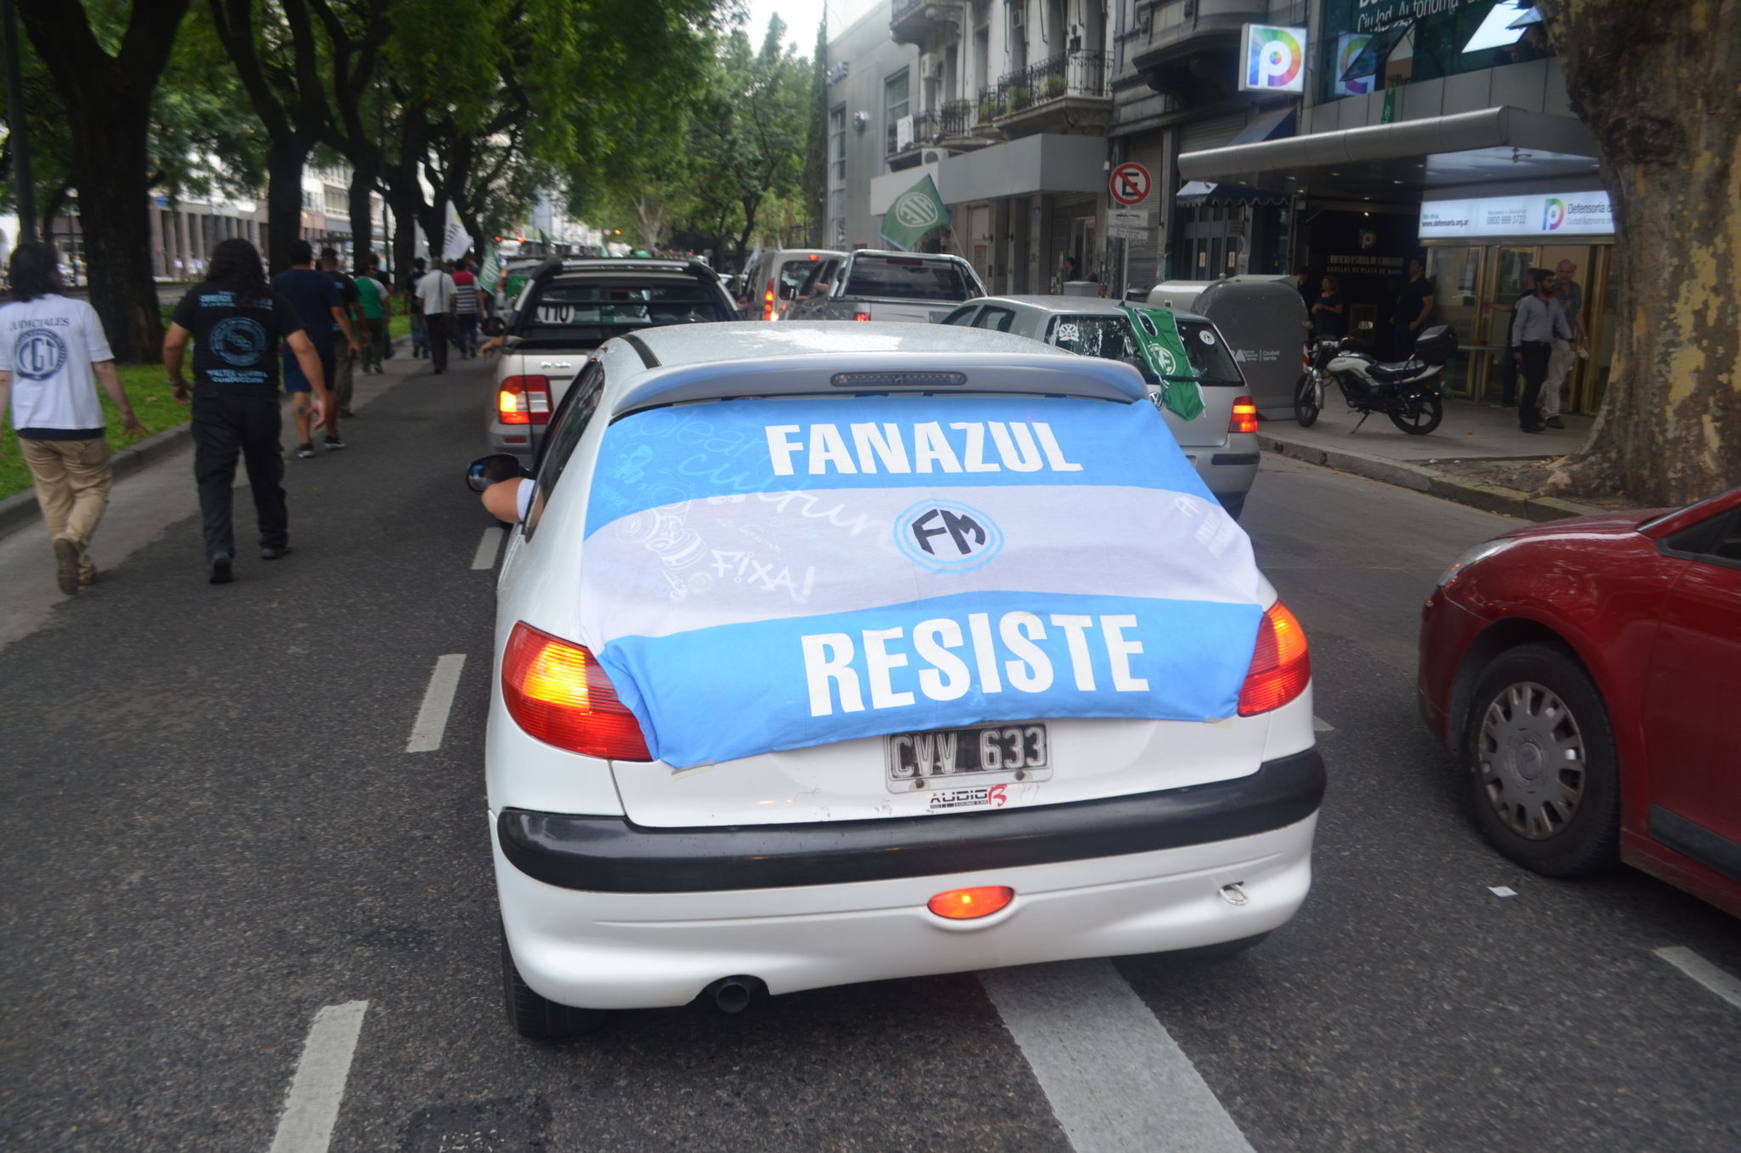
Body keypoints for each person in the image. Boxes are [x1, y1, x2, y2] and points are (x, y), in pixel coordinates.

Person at [163, 238, 331, 582]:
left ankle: (219, 548)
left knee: (214, 475)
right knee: (265, 469)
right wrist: (320, 394)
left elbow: (173, 343)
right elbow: (302, 347)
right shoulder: (270, 300)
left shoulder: (199, 296)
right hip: (259, 398)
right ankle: (273, 540)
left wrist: (176, 380)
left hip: (212, 400)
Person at [0, 242, 146, 594]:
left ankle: (78, 569)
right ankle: (74, 541)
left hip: (31, 425)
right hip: (77, 422)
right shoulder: (79, 311)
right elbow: (104, 367)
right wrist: (126, 411)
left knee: (53, 497)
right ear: (52, 271)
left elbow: (3, 377)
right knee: (93, 487)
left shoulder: (3, 317)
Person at [272, 239, 359, 456]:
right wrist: (352, 338)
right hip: (321, 340)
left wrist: (274, 341)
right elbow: (338, 312)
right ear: (312, 258)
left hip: (293, 342)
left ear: (289, 259)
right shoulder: (322, 280)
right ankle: (331, 434)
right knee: (326, 389)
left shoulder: (278, 281)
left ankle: (305, 442)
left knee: (299, 390)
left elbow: (271, 313)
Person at [1511, 267, 1572, 434]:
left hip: (1545, 347)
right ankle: (1526, 420)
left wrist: (1570, 338)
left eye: (1553, 281)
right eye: (1548, 281)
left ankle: (1533, 416)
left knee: (1537, 383)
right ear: (1539, 283)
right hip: (1529, 346)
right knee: (1532, 383)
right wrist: (1516, 347)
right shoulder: (1528, 302)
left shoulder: (1553, 302)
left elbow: (1560, 322)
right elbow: (1518, 325)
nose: (1552, 284)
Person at [1541, 258, 1588, 429]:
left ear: (1573, 272)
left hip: (1569, 339)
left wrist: (1584, 336)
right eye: (1561, 272)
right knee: (1556, 378)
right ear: (1557, 271)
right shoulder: (1550, 289)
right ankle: (1552, 413)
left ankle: (1542, 405)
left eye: (1568, 272)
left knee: (1558, 378)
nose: (1565, 275)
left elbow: (1577, 313)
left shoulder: (1576, 288)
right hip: (1553, 338)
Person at [319, 247, 363, 423]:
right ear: (336, 261)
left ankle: (326, 404)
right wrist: (360, 331)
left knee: (322, 368)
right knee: (343, 368)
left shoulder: (316, 280)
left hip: (319, 332)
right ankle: (343, 406)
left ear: (321, 261)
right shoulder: (345, 281)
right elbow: (356, 308)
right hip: (341, 330)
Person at [1496, 268, 1537, 407]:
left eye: (1525, 276)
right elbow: (1512, 308)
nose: (1523, 278)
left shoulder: (1532, 297)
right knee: (1509, 369)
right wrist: (1492, 306)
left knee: (1523, 371)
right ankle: (1510, 399)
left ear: (1530, 278)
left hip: (1521, 341)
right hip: (1516, 339)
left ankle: (1526, 401)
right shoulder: (1525, 295)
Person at [416, 259, 457, 374]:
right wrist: (454, 309)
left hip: (430, 313)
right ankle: (443, 363)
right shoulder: (447, 278)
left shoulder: (425, 279)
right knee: (443, 338)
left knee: (434, 339)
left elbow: (420, 299)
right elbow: (454, 296)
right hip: (444, 312)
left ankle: (436, 363)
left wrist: (422, 311)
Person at [353, 257, 391, 376]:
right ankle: (377, 362)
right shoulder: (376, 283)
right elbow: (385, 300)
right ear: (366, 271)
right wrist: (386, 314)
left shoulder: (353, 283)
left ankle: (365, 366)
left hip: (358, 318)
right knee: (377, 340)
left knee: (362, 341)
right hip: (375, 316)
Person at [1392, 256, 1434, 359]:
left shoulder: (1424, 284)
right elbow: (1401, 300)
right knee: (1397, 351)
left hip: (1411, 323)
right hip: (1400, 321)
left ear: (1421, 268)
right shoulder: (1406, 282)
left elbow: (1428, 305)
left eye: (1414, 264)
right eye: (1411, 264)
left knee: (1408, 353)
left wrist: (1416, 322)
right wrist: (1395, 315)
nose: (1411, 267)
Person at [450, 257, 481, 358]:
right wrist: (480, 306)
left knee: (460, 331)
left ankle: (463, 350)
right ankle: (472, 345)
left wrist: (452, 308)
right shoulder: (472, 277)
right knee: (472, 328)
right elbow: (477, 292)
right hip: (471, 308)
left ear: (455, 267)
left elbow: (451, 295)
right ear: (465, 267)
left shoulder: (452, 278)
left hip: (458, 310)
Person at [406, 257, 429, 358]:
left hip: (414, 304)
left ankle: (416, 344)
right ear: (424, 266)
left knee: (415, 327)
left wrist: (405, 305)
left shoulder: (410, 277)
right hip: (425, 305)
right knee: (425, 327)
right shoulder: (427, 277)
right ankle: (425, 348)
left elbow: (406, 292)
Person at [1310, 274, 1347, 340]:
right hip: (1319, 326)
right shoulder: (1320, 296)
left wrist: (1324, 307)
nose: (1323, 284)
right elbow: (1313, 310)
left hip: (1330, 326)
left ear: (1332, 284)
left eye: (1326, 283)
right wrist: (1314, 308)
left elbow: (1339, 310)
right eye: (1323, 282)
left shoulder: (1336, 296)